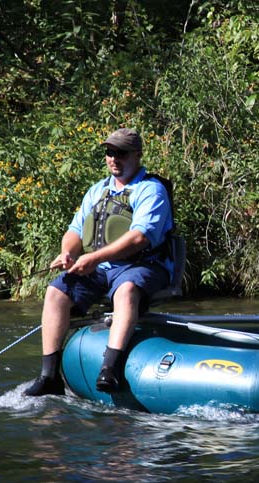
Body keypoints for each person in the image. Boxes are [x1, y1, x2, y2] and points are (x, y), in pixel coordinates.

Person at [24, 128, 175, 396]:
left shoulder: (151, 190)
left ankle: (110, 369)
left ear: (137, 156)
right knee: (56, 292)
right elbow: (75, 231)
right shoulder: (97, 190)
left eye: (121, 153)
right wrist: (69, 253)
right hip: (102, 268)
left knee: (127, 289)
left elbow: (139, 238)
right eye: (109, 153)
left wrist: (93, 258)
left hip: (143, 266)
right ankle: (50, 376)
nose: (114, 158)